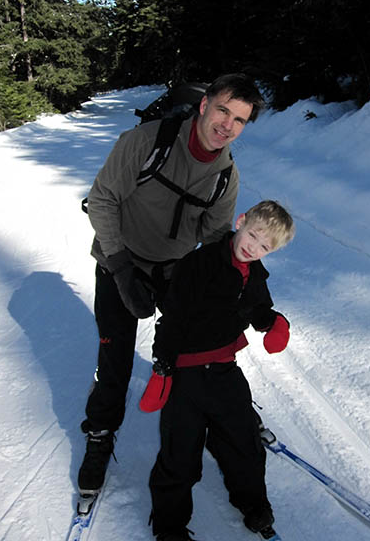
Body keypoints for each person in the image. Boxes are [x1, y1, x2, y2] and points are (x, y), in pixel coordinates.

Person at [78, 74, 265, 496]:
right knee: (115, 353)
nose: (227, 125)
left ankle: (226, 413)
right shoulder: (144, 142)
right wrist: (123, 270)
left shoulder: (224, 177)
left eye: (239, 120)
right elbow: (103, 199)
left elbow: (217, 241)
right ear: (203, 106)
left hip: (175, 269)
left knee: (198, 347)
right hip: (118, 260)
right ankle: (101, 430)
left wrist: (232, 290)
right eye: (222, 110)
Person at [140, 200, 295, 541]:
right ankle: (169, 528)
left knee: (243, 442)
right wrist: (162, 366)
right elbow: (174, 317)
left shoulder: (254, 272)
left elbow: (256, 308)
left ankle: (252, 504)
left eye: (265, 246)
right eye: (253, 235)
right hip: (186, 375)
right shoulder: (200, 263)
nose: (253, 247)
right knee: (179, 454)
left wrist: (274, 322)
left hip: (225, 369)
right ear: (241, 222)